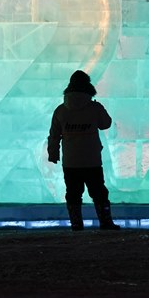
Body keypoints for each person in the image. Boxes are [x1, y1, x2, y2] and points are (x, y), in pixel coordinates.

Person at [47, 70, 120, 231]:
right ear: (88, 86)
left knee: (73, 194)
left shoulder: (60, 110)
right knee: (99, 193)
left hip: (71, 161)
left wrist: (53, 154)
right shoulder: (94, 108)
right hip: (92, 159)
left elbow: (53, 135)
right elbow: (106, 124)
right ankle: (106, 222)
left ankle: (76, 224)